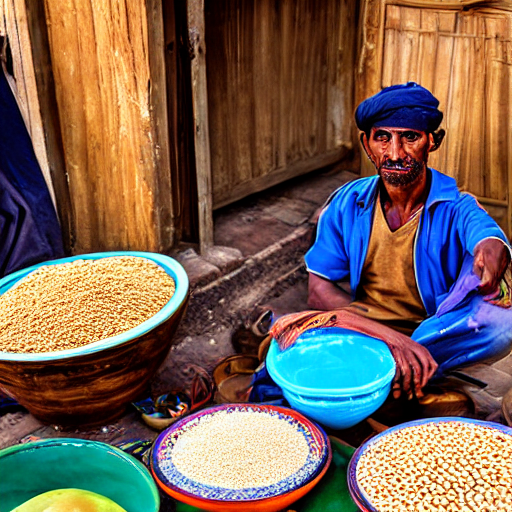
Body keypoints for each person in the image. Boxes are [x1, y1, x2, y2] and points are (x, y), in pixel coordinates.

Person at [269, 82, 512, 401]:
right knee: (285, 352)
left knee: (501, 322)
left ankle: (406, 367)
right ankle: (404, 368)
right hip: (362, 327)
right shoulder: (346, 203)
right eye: (382, 137)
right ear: (366, 144)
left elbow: (484, 232)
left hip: (432, 333)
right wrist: (389, 339)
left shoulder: (456, 205)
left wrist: (492, 247)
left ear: (432, 142)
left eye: (410, 137)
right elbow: (319, 291)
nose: (395, 153)